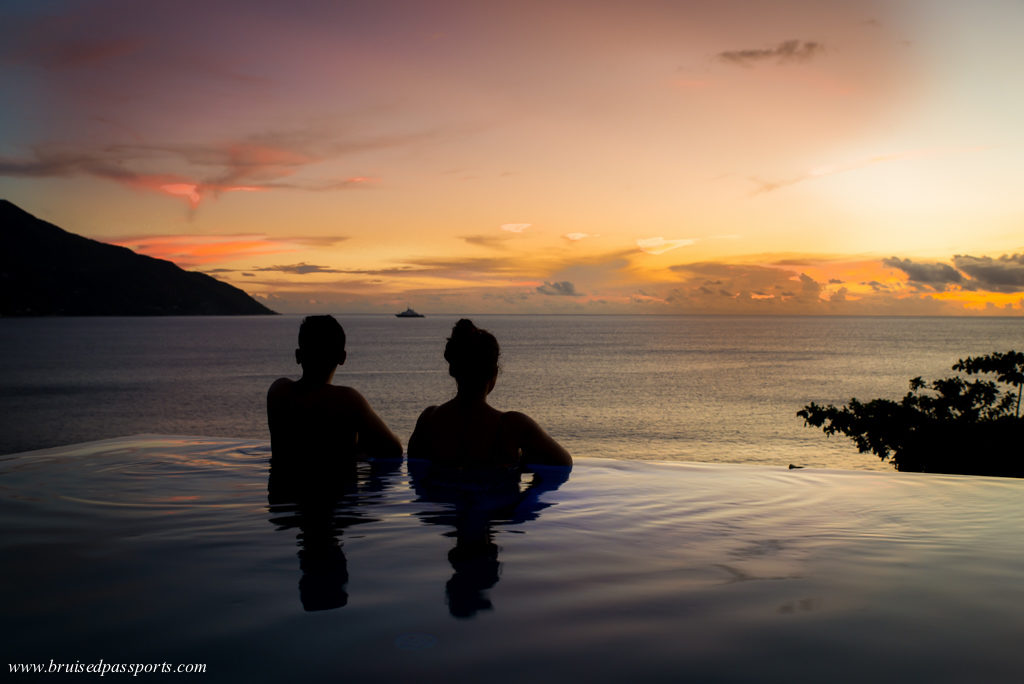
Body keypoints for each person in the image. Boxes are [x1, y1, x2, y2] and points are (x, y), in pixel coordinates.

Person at [408, 318, 571, 469]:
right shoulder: (513, 425)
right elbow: (564, 462)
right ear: (494, 374)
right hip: (500, 499)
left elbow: (414, 470)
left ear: (453, 370)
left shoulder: (428, 420)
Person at [267, 315, 402, 491]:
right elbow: (393, 450)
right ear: (343, 357)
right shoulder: (348, 400)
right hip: (334, 503)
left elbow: (308, 440)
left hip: (282, 504)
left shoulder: (278, 391)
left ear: (298, 355)